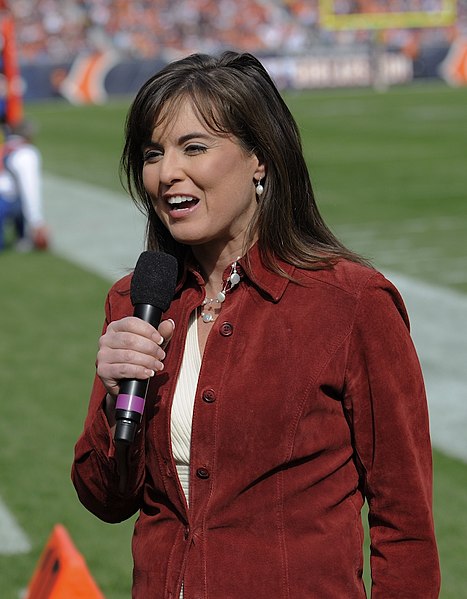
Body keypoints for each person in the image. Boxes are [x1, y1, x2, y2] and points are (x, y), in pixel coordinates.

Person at [71, 51, 440, 598]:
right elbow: (106, 499)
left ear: (259, 159)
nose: (167, 171)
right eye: (153, 153)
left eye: (193, 147)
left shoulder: (351, 302)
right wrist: (113, 401)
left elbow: (404, 519)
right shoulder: (135, 301)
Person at [0, 120, 49, 252]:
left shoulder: (5, 146)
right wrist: (37, 221)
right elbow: (30, 188)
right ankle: (22, 238)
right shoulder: (26, 153)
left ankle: (21, 236)